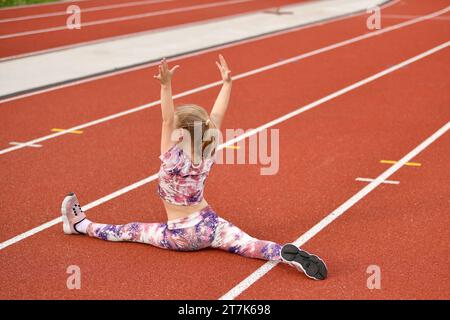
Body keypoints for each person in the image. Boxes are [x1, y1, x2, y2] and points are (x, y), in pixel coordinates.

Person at [61, 55, 327, 280]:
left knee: (129, 231)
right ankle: (278, 252)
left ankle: (80, 225)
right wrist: (227, 84)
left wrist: (166, 86)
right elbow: (215, 117)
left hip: (178, 235)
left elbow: (166, 118)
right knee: (249, 244)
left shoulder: (171, 158)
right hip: (211, 226)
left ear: (179, 133)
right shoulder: (208, 151)